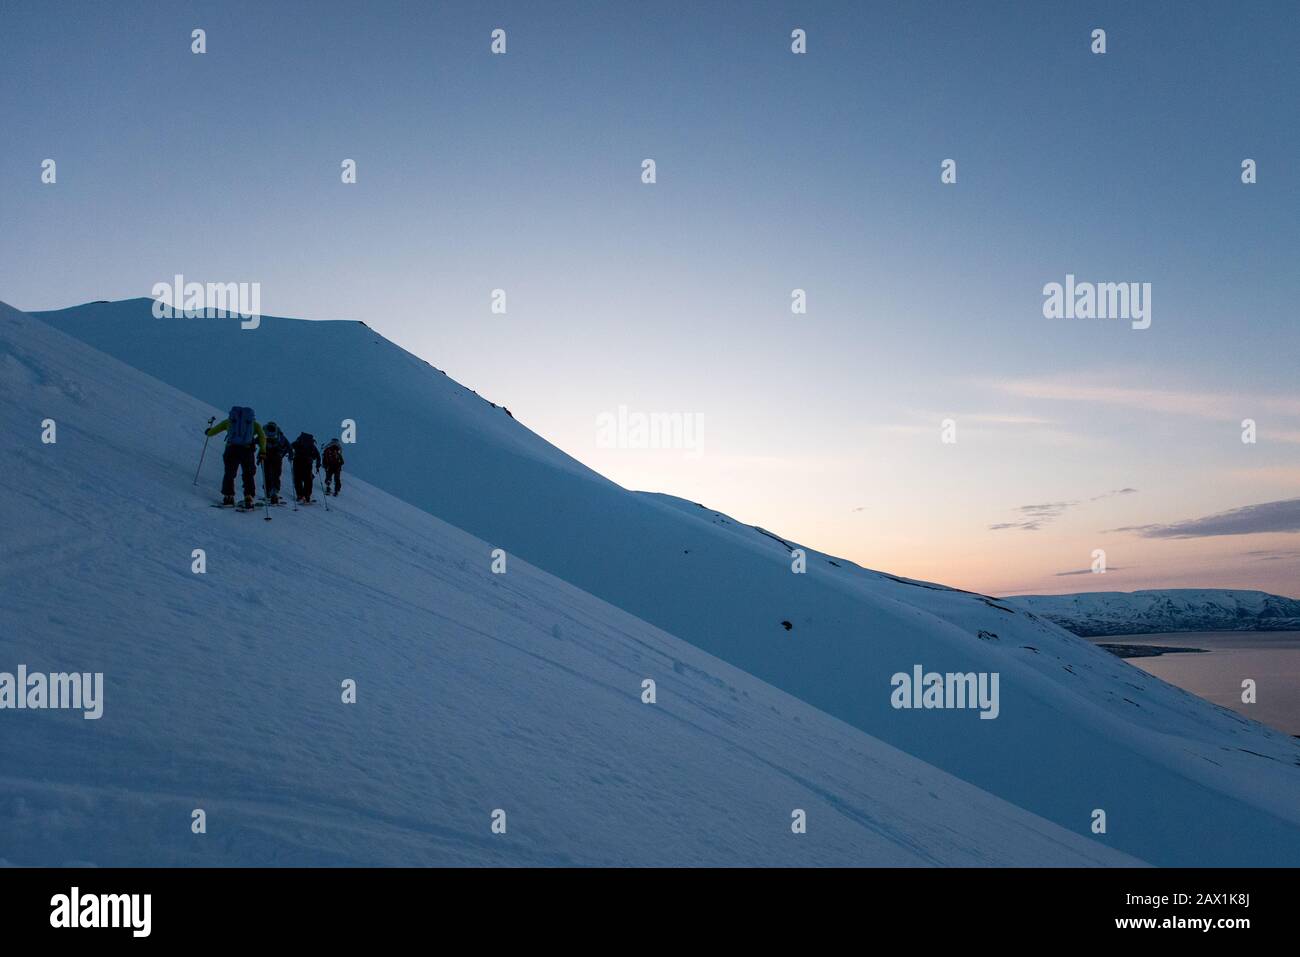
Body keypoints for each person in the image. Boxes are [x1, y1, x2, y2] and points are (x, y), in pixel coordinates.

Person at [205, 406, 266, 507]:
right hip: (247, 451)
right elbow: (262, 437)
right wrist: (263, 451)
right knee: (248, 474)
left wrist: (208, 432)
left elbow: (213, 431)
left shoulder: (229, 421)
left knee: (229, 473)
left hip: (231, 449)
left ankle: (228, 496)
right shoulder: (254, 424)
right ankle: (249, 496)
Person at [262, 421, 294, 504]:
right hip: (277, 457)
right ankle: (275, 492)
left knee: (267, 473)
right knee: (276, 474)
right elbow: (289, 446)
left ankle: (268, 492)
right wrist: (290, 456)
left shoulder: (265, 433)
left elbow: (257, 441)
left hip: (266, 456)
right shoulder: (280, 435)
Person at [290, 432, 321, 503]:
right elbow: (317, 455)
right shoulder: (311, 445)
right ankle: (307, 496)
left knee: (297, 478)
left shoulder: (298, 442)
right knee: (308, 479)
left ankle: (299, 495)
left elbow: (290, 447)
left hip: (297, 461)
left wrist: (287, 455)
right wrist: (318, 465)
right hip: (308, 462)